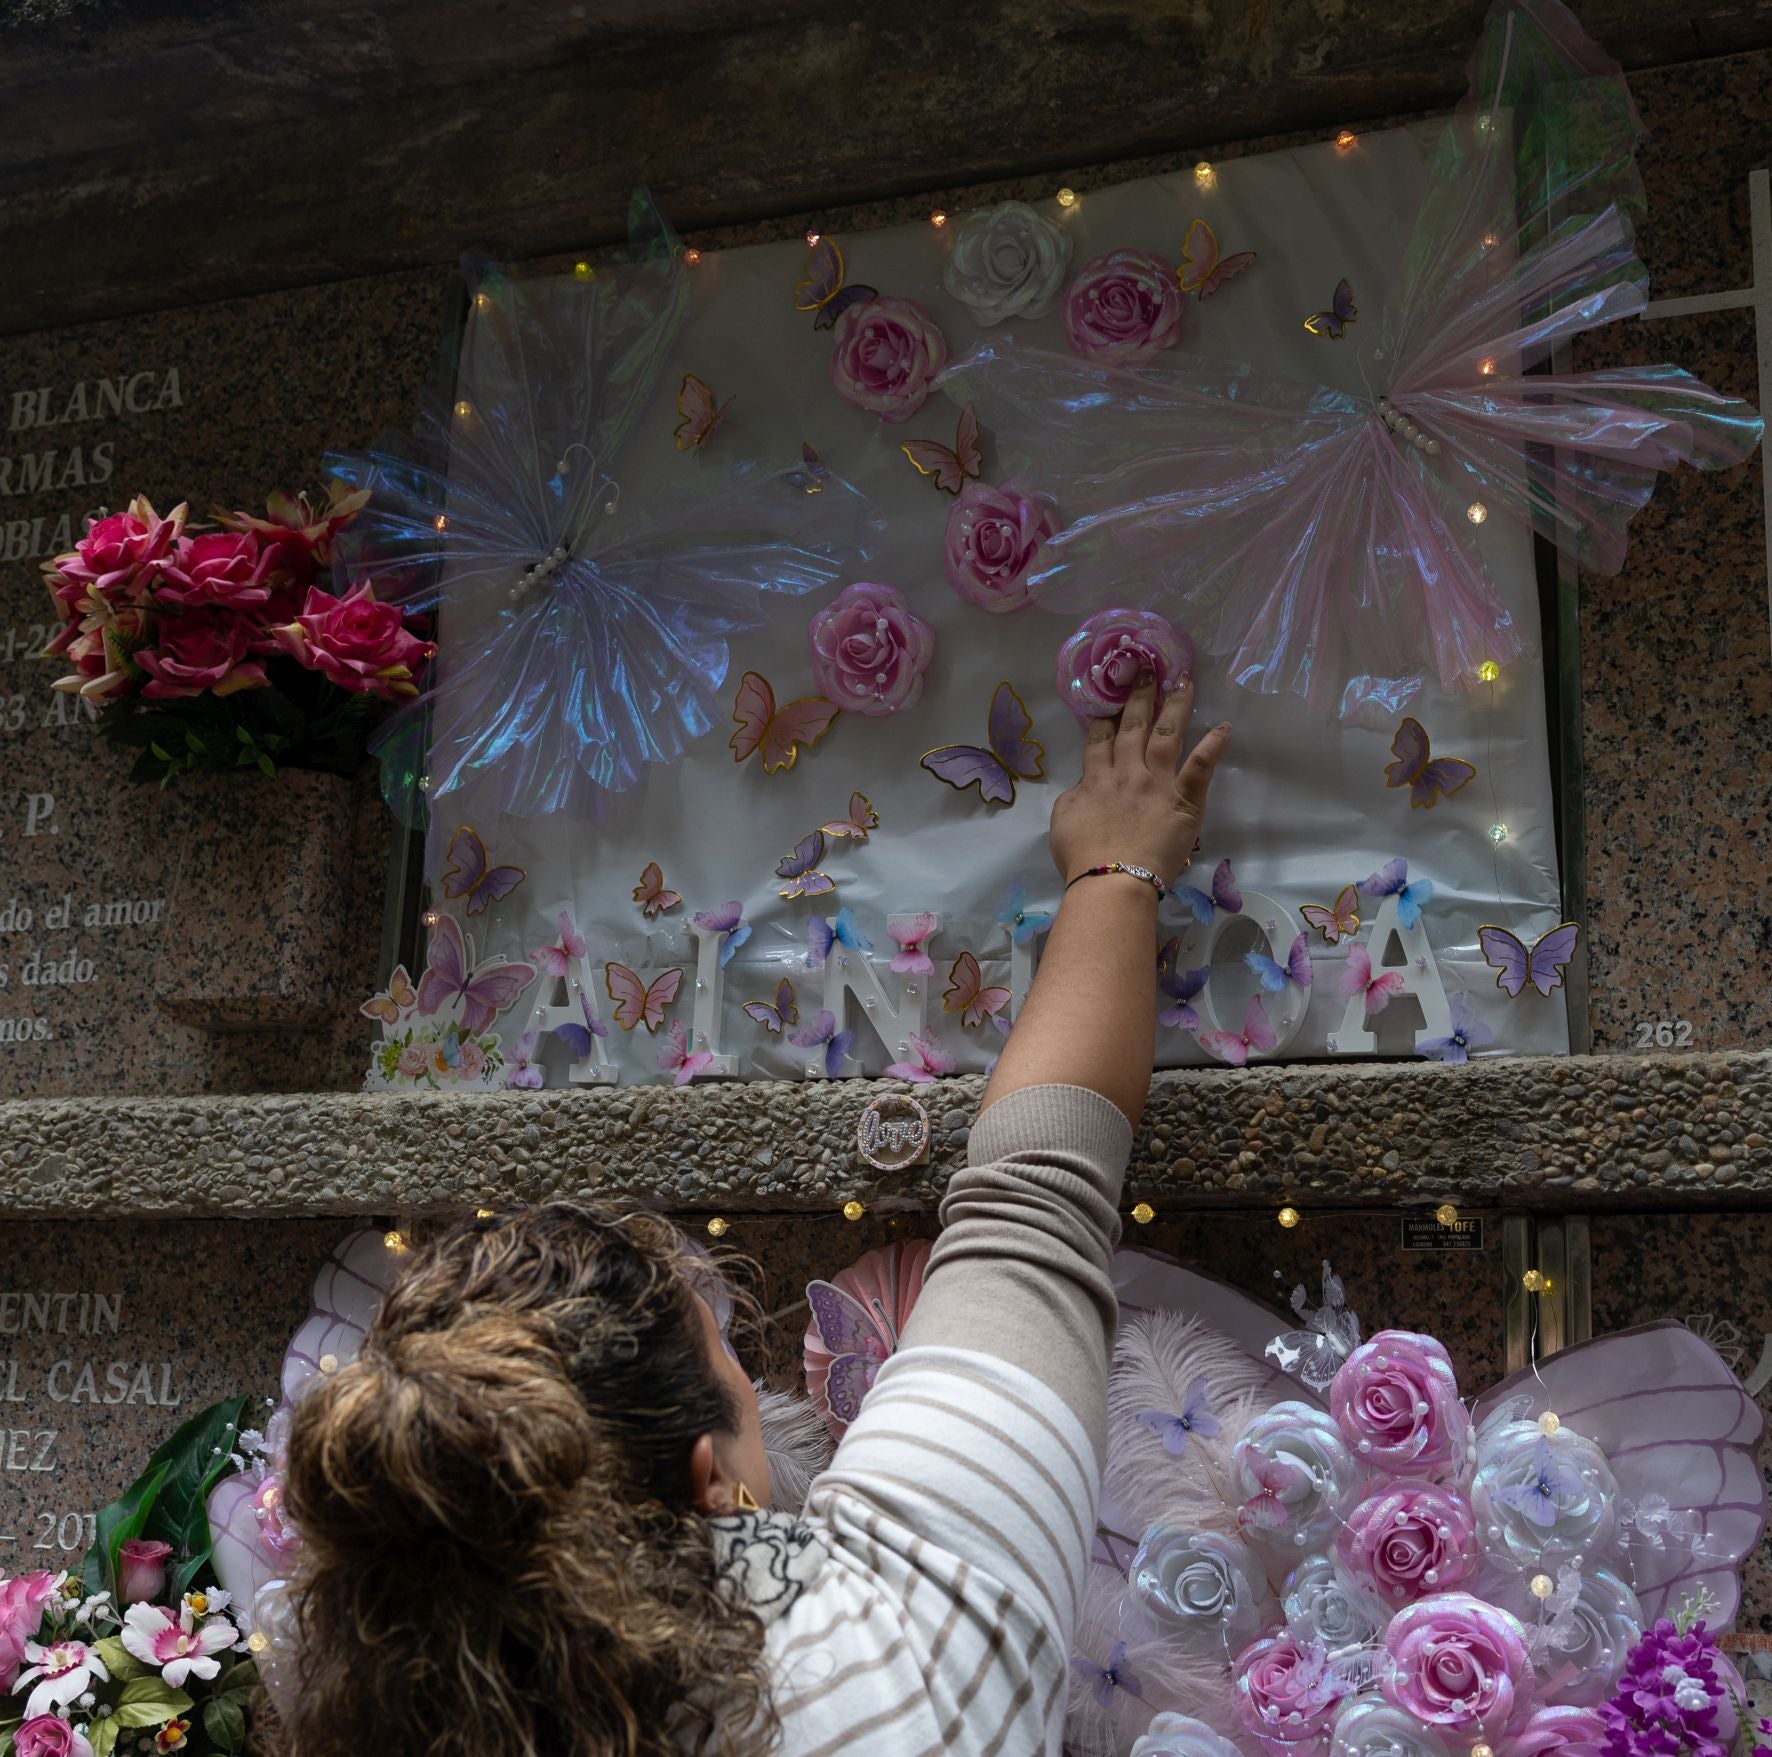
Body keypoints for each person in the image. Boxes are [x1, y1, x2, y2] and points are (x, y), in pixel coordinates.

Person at [281, 671, 1230, 1757]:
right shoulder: (893, 1667)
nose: (750, 1369)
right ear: (712, 1481)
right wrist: (1117, 866)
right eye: (727, 1358)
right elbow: (1037, 1191)